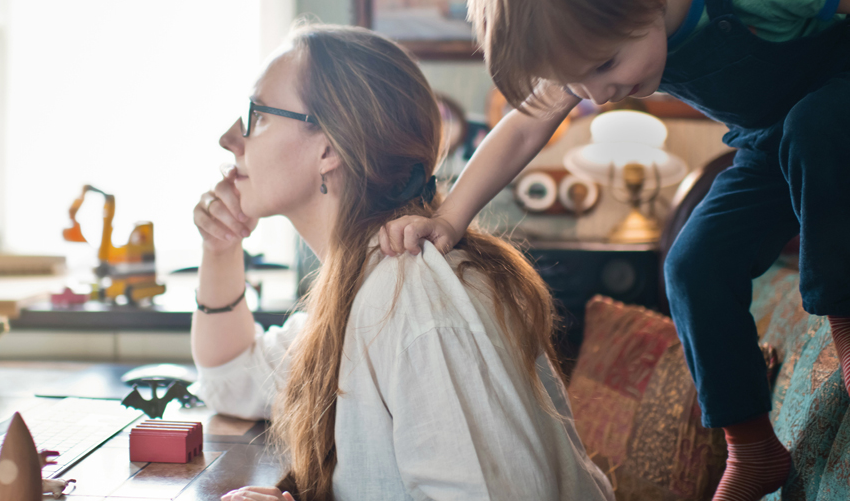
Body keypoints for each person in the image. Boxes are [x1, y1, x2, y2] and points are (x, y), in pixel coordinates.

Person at [377, 0, 850, 501]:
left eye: (605, 67)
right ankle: (752, 446)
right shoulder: (604, 26)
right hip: (780, 135)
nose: (596, 93)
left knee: (813, 129)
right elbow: (525, 123)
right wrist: (448, 219)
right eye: (577, 79)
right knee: (693, 263)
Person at [190, 24, 615, 501]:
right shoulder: (361, 286)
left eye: (257, 115)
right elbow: (229, 379)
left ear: (328, 148)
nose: (230, 137)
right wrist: (221, 245)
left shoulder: (413, 295)